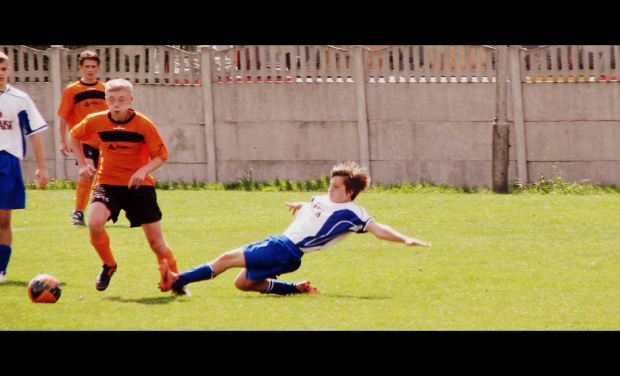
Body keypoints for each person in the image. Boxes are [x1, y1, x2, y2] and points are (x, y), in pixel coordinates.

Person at [159, 161, 431, 296]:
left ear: (350, 191)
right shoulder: (322, 199)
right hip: (283, 249)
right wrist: (301, 204)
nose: (329, 188)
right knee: (243, 283)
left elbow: (378, 228)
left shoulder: (353, 213)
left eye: (336, 186)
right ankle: (295, 289)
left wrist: (405, 239)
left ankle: (178, 280)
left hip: (285, 248)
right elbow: (317, 207)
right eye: (329, 183)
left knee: (226, 259)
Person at [69, 78, 189, 295]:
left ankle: (178, 284)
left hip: (139, 186)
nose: (116, 103)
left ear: (130, 100)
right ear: (106, 100)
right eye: (112, 99)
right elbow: (74, 136)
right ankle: (109, 265)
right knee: (94, 224)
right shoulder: (95, 120)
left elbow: (162, 155)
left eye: (121, 99)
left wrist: (143, 171)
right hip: (107, 183)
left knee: (156, 244)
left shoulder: (142, 124)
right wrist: (83, 164)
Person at [0, 51, 50, 282]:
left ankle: (1, 269)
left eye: (3, 69)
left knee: (4, 218)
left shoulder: (20, 99)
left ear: (9, 70)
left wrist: (42, 167)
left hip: (8, 161)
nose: (0, 73)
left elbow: (35, 134)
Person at [57, 51, 108, 226]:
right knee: (88, 172)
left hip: (104, 141)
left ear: (99, 68)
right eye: (87, 66)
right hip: (83, 140)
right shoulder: (72, 90)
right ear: (81, 68)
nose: (90, 70)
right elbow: (63, 116)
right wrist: (63, 141)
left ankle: (104, 209)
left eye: (93, 66)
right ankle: (78, 212)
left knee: (106, 176)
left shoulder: (104, 89)